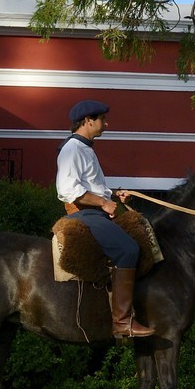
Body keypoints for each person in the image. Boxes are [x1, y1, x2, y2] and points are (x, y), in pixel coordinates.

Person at [55, 99, 153, 338]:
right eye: (102, 120)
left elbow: (91, 186)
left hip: (94, 210)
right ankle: (122, 322)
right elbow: (67, 190)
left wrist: (112, 193)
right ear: (88, 121)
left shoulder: (85, 148)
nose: (106, 124)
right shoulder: (72, 149)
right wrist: (103, 202)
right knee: (128, 249)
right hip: (83, 213)